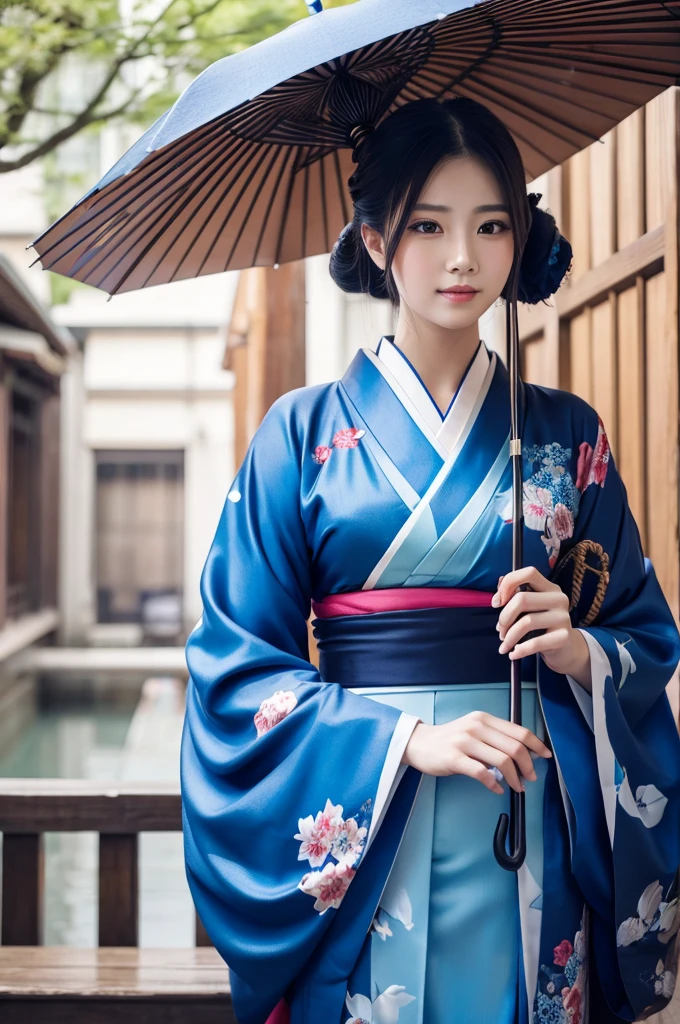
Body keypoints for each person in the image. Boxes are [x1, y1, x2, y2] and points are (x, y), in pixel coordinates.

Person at [180, 97, 680, 1024]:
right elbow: (234, 662)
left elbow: (643, 633)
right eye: (427, 225)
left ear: (520, 238)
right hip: (372, 819)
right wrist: (405, 742)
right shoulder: (301, 434)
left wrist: (574, 648)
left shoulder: (568, 436)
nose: (463, 257)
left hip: (525, 806)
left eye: (492, 225)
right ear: (374, 240)